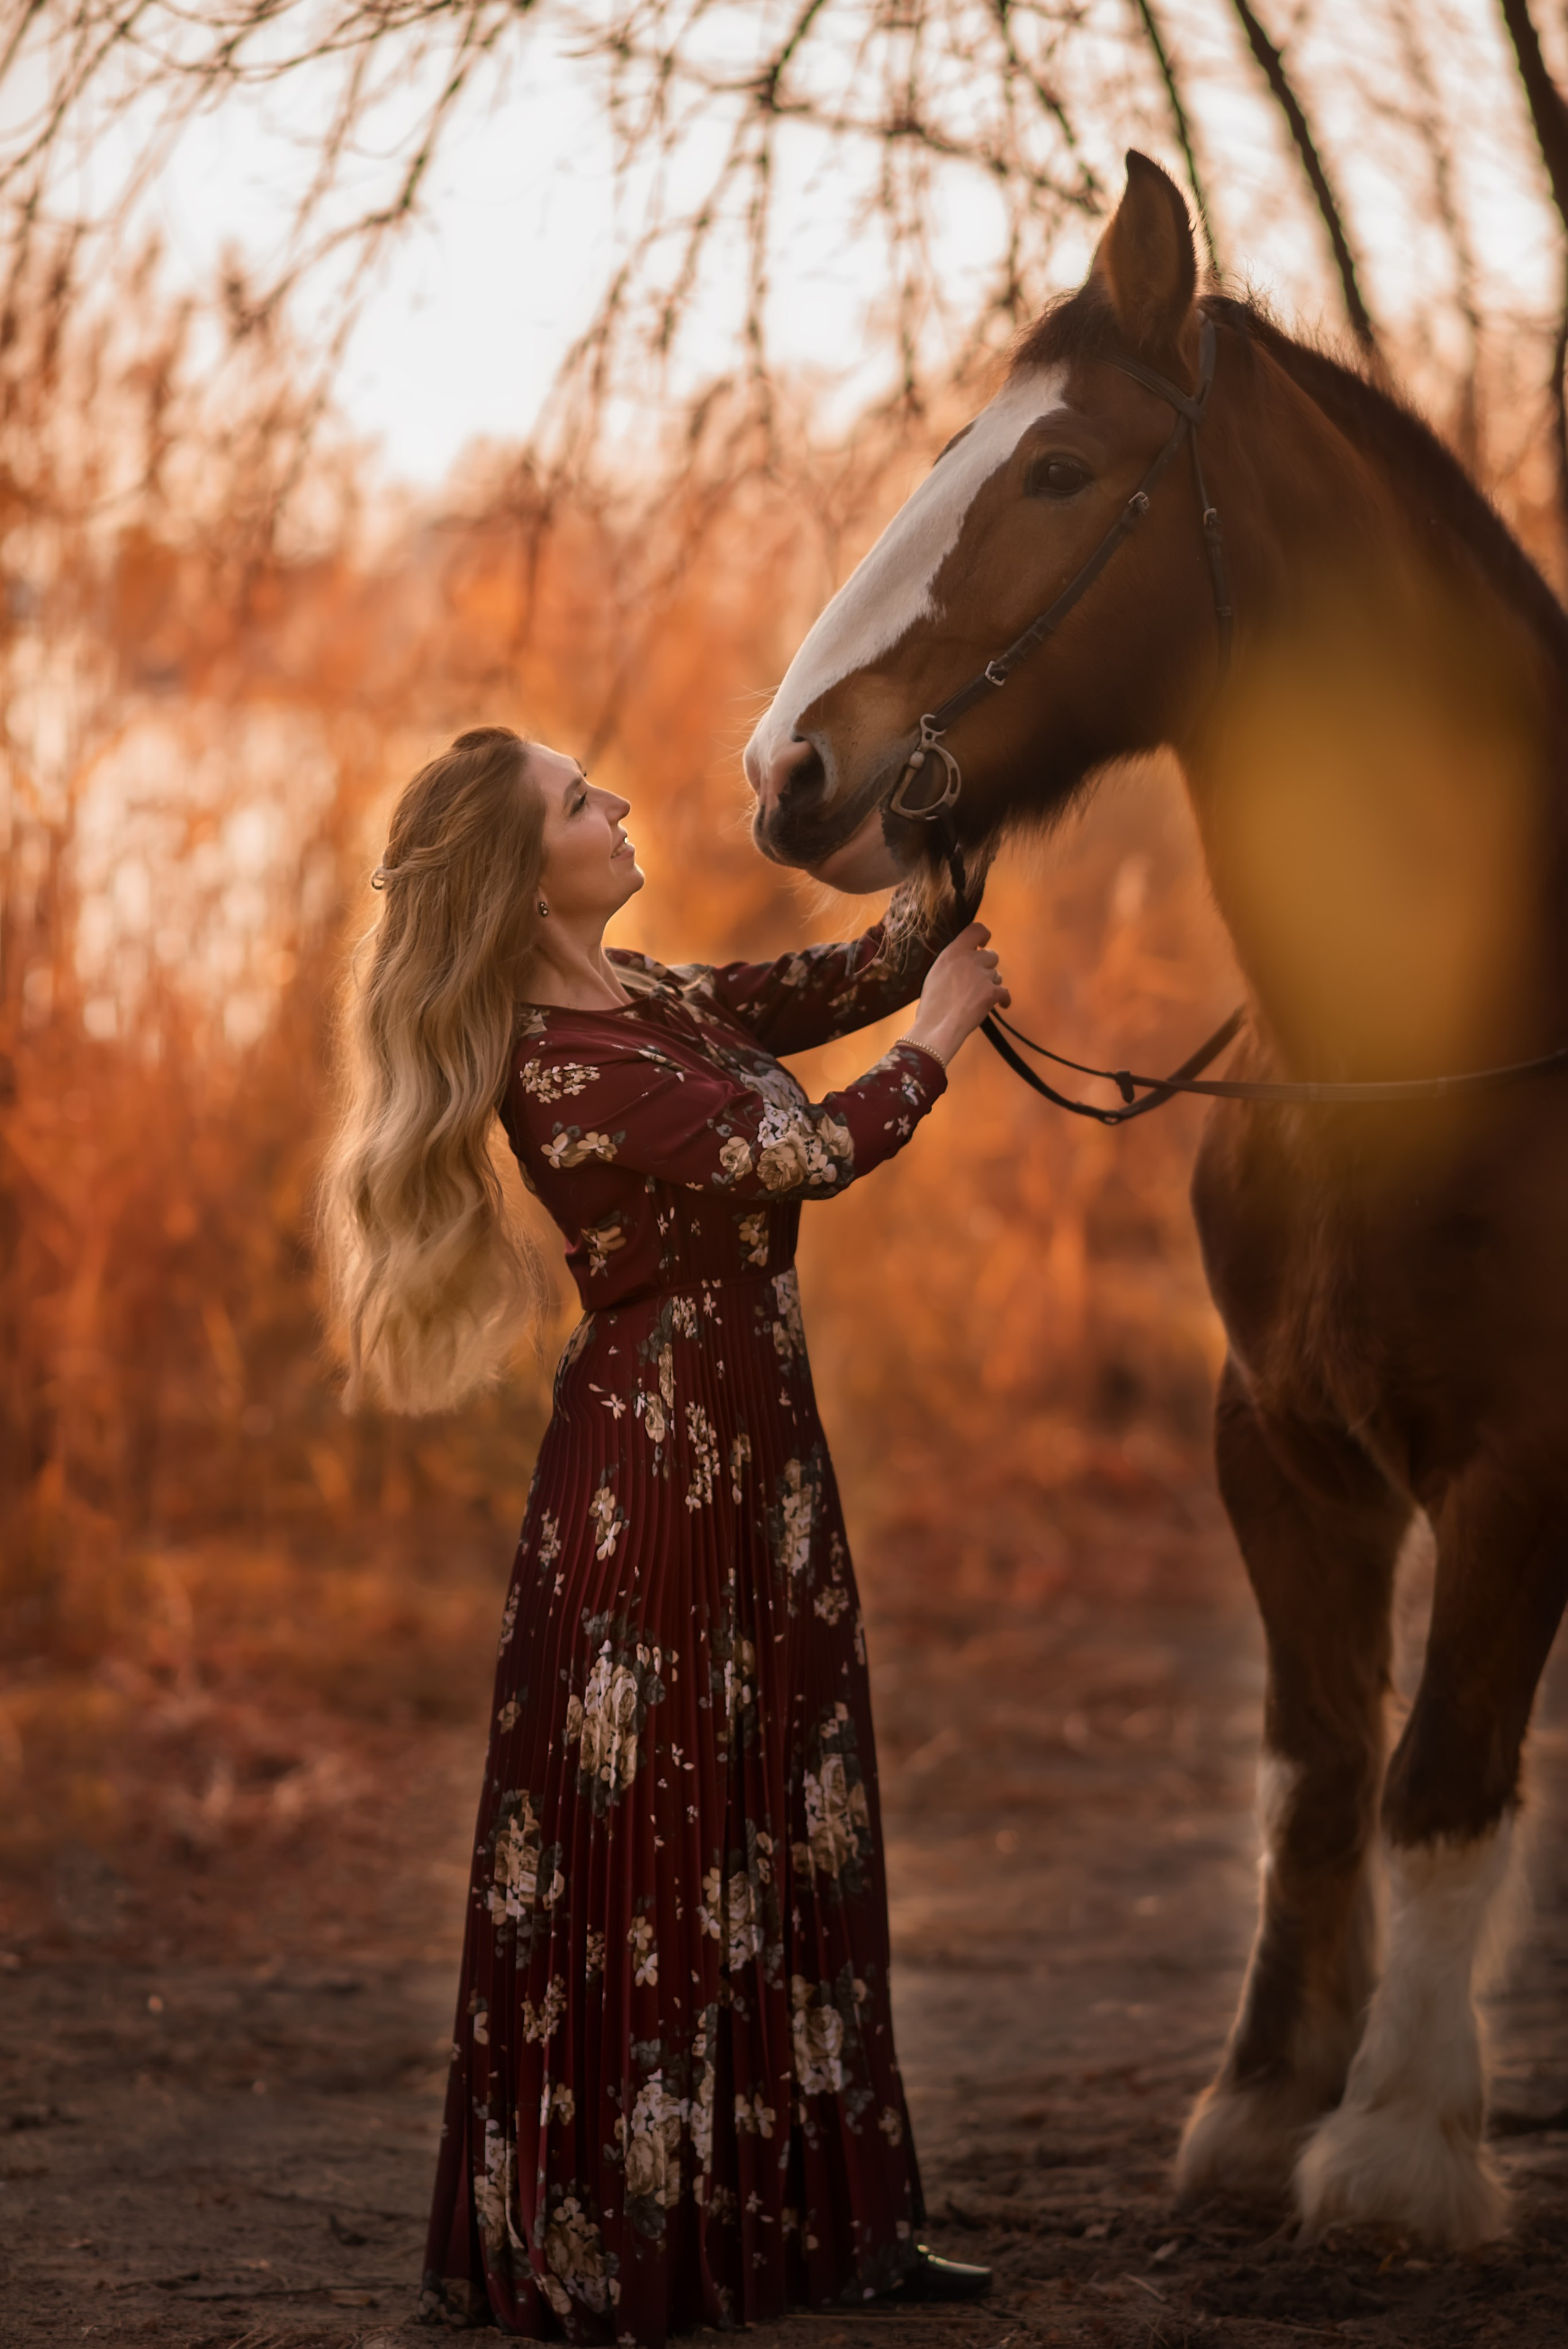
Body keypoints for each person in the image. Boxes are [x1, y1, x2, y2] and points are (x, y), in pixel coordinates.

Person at [319, 726, 1009, 2343]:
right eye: (581, 800)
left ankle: (829, 2226)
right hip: (649, 1480)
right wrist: (943, 1038)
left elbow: (844, 971)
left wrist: (955, 818)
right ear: (521, 870)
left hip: (759, 1459)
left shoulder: (653, 998)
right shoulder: (560, 1061)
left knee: (795, 1816)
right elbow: (810, 1148)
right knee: (668, 1847)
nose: (619, 805)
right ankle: (634, 2249)